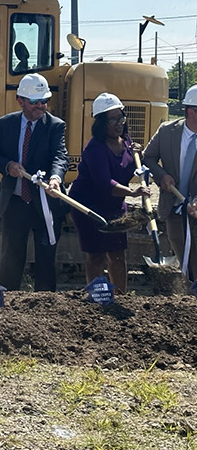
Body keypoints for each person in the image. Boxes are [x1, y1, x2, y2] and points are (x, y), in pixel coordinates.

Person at [0, 73, 68, 292]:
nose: (41, 106)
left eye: (44, 101)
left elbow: (60, 156)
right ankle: (7, 302)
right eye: (34, 101)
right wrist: (8, 166)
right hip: (16, 202)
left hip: (45, 203)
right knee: (11, 256)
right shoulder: (6, 124)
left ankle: (46, 304)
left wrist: (56, 178)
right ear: (20, 100)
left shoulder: (55, 126)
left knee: (46, 259)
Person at [68, 93, 149, 293]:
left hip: (114, 205)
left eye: (121, 118)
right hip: (89, 206)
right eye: (112, 120)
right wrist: (132, 192)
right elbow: (106, 183)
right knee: (96, 255)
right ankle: (98, 297)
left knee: (118, 254)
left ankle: (120, 296)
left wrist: (140, 155)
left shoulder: (128, 144)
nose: (118, 124)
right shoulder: (94, 149)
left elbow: (133, 168)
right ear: (101, 122)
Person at [144, 83, 197, 278]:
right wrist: (162, 175)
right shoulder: (167, 132)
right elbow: (147, 158)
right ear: (192, 112)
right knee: (185, 258)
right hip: (174, 208)